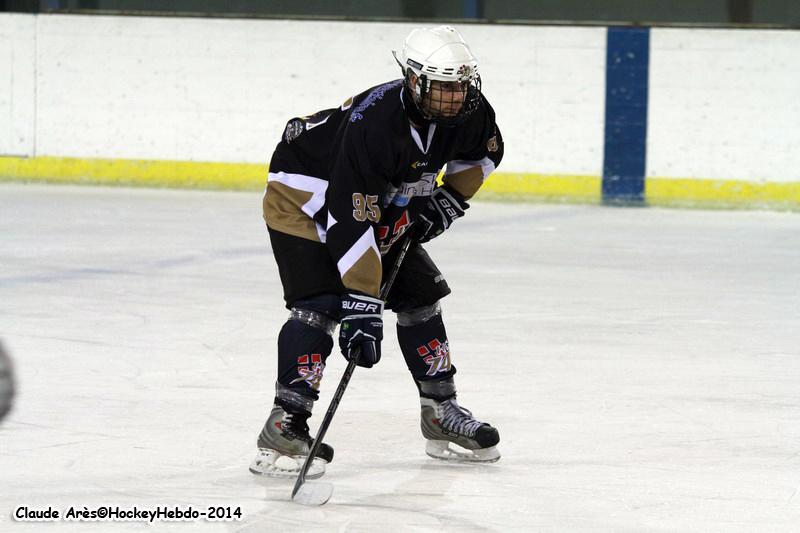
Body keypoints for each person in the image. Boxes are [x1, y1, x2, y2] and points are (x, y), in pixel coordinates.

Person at [251, 25, 504, 479]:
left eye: (462, 85)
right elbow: (351, 224)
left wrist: (447, 200)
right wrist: (364, 308)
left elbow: (483, 157)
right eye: (443, 86)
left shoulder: (471, 110)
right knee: (322, 305)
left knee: (420, 296)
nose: (455, 97)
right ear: (413, 79)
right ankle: (284, 423)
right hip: (304, 195)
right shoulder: (375, 125)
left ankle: (439, 412)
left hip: (379, 198)